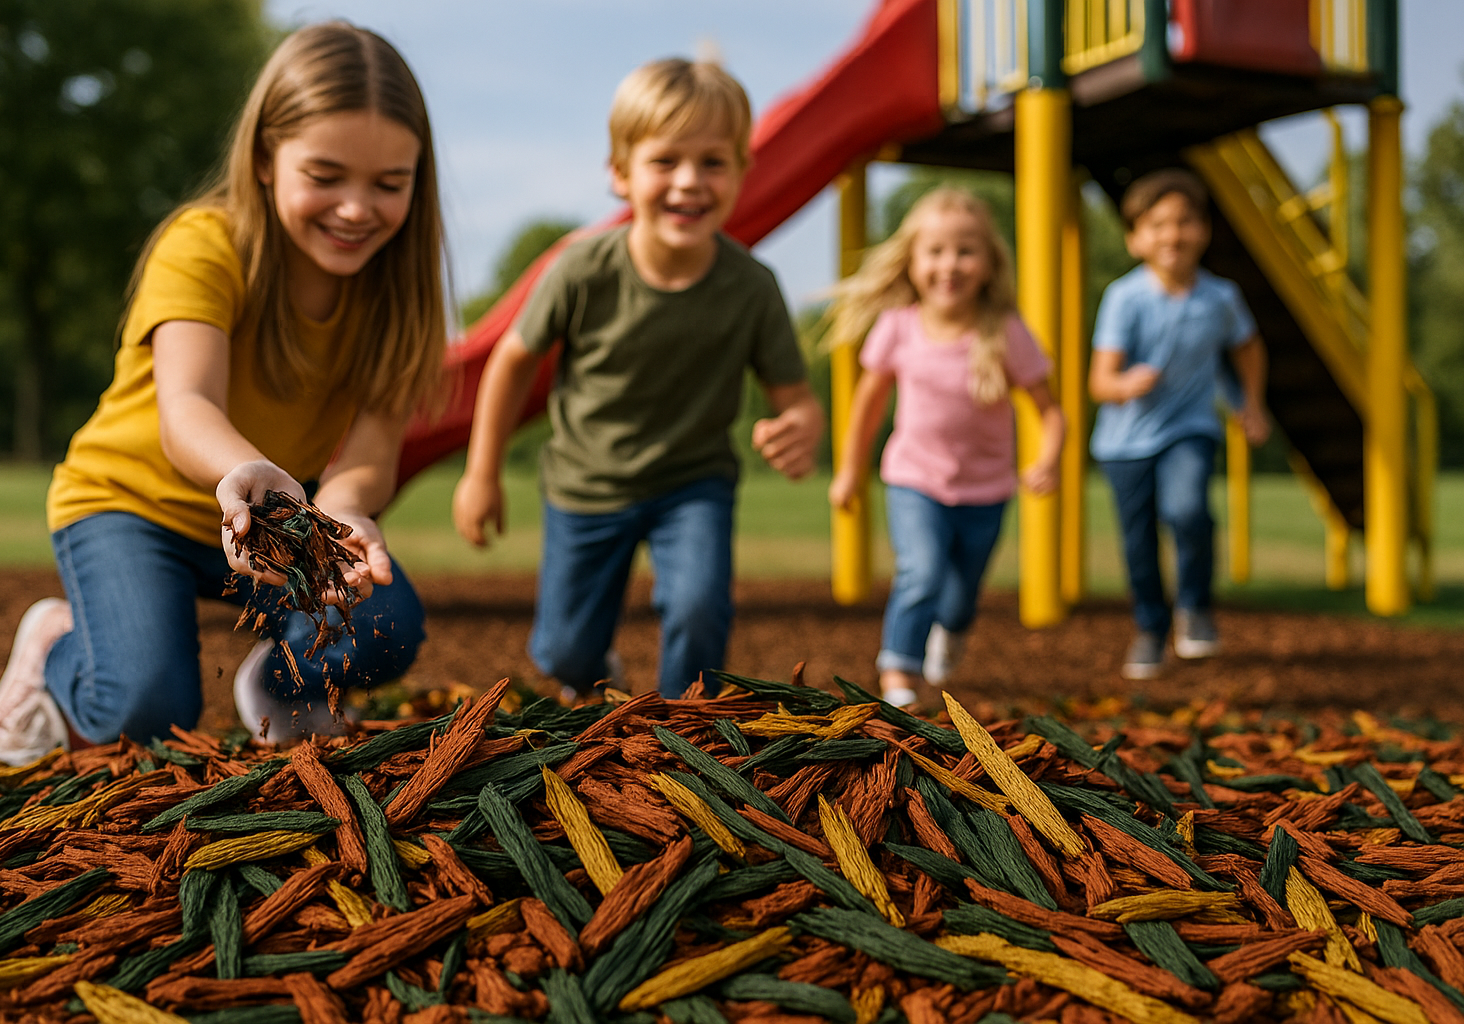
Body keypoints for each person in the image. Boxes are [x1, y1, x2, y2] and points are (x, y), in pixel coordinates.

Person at [0, 23, 445, 765]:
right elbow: (187, 406)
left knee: (387, 619)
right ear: (265, 158)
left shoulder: (401, 297)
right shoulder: (205, 244)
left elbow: (371, 451)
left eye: (389, 184)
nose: (357, 208)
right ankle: (57, 651)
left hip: (271, 515)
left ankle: (281, 686)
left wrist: (345, 506)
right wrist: (243, 475)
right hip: (132, 506)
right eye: (326, 176)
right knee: (147, 712)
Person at [453, 58, 824, 700]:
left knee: (700, 608)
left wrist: (802, 428)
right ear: (620, 173)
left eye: (713, 162)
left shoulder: (751, 287)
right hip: (586, 483)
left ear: (742, 173)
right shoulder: (582, 270)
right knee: (565, 652)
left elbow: (798, 400)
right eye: (665, 161)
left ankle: (684, 728)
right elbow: (511, 360)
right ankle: (590, 672)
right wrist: (481, 474)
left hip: (693, 485)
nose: (690, 181)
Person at [828, 188, 1064, 709]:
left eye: (964, 251)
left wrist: (1046, 459)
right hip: (914, 479)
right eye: (934, 251)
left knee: (959, 599)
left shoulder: (1005, 331)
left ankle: (950, 634)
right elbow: (867, 405)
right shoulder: (899, 327)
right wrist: (849, 471)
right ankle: (898, 673)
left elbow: (1050, 410)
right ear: (911, 261)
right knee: (922, 571)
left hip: (986, 491)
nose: (949, 265)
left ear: (988, 262)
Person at [1089, 168, 1270, 680]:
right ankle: (1150, 630)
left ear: (1204, 230)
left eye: (1185, 221)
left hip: (1190, 427)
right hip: (1124, 443)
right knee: (1139, 542)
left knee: (1188, 509)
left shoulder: (1221, 298)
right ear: (1135, 238)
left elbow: (1248, 346)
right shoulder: (1126, 298)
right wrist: (1127, 385)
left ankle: (1194, 609)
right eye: (1157, 223)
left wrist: (1248, 403)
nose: (1173, 233)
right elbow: (1099, 382)